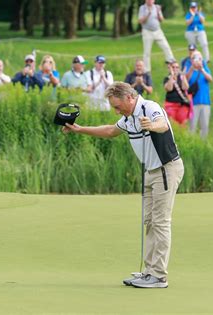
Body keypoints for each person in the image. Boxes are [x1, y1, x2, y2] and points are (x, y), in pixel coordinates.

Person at [62, 82, 184, 289]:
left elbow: (162, 124)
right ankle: (149, 271)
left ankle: (159, 276)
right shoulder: (129, 117)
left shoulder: (149, 108)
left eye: (117, 106)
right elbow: (110, 131)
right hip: (150, 172)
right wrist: (79, 129)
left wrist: (151, 126)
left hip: (166, 169)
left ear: (129, 97)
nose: (116, 110)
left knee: (161, 222)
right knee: (150, 222)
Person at [138, 0, 175, 72]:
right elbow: (140, 21)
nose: (150, 1)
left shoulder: (156, 7)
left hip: (157, 31)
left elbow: (161, 20)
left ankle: (172, 63)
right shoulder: (142, 8)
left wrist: (158, 12)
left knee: (166, 47)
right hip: (147, 31)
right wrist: (148, 14)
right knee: (147, 52)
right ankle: (146, 70)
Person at [186, 52, 213, 138]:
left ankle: (203, 144)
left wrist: (202, 70)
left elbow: (210, 79)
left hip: (205, 102)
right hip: (193, 102)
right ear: (191, 60)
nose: (197, 60)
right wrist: (191, 68)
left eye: (199, 58)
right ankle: (192, 142)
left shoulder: (205, 68)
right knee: (192, 126)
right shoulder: (189, 69)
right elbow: (186, 80)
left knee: (205, 126)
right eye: (195, 58)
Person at [163, 60, 190, 125]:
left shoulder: (181, 77)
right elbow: (169, 89)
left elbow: (185, 87)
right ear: (170, 68)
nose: (175, 69)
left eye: (177, 67)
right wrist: (172, 76)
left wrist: (183, 76)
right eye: (173, 67)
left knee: (182, 123)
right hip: (171, 104)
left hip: (182, 104)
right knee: (172, 124)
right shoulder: (167, 78)